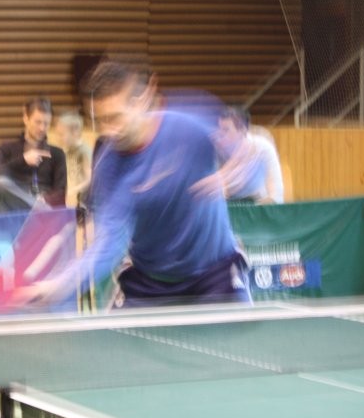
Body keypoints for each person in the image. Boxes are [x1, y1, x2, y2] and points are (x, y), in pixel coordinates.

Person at [26, 59, 250, 308]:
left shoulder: (189, 126)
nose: (108, 131)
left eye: (115, 118)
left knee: (243, 331)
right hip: (149, 282)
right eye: (100, 121)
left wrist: (233, 173)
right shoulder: (108, 168)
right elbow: (107, 245)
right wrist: (58, 287)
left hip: (215, 273)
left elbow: (248, 151)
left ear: (141, 102)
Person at [0, 96, 67, 212]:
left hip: (44, 203)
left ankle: (39, 208)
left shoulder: (56, 154)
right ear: (26, 119)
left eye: (46, 124)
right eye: (38, 122)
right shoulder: (7, 149)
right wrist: (23, 160)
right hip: (15, 206)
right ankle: (38, 209)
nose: (42, 128)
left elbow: (61, 191)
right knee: (1, 184)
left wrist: (45, 199)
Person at [195, 105, 285, 204]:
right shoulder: (214, 149)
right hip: (226, 205)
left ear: (242, 130)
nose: (220, 134)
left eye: (226, 130)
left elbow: (276, 194)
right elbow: (210, 190)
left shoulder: (262, 148)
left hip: (257, 204)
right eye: (219, 129)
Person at [54, 110, 92, 209]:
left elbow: (90, 179)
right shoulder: (66, 151)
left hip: (82, 202)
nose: (58, 138)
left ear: (75, 133)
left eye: (61, 134)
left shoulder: (84, 151)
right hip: (69, 202)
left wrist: (73, 190)